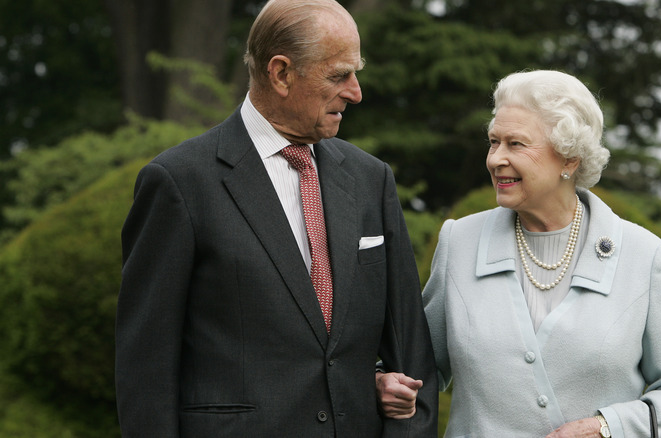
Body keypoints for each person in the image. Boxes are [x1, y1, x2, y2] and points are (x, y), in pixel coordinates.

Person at [115, 0, 438, 436]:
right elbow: (145, 372)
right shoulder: (179, 183)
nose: (356, 91)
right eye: (339, 75)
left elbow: (412, 356)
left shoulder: (371, 179)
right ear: (281, 73)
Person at [379, 70, 661, 437]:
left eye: (516, 144)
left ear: (569, 160)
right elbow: (419, 365)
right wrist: (385, 380)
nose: (495, 159)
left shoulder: (645, 256)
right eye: (494, 142)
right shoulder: (460, 241)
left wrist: (607, 428)